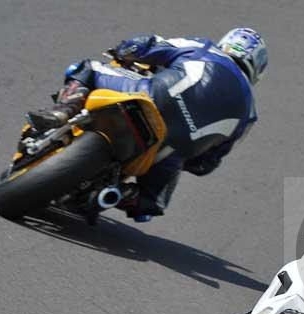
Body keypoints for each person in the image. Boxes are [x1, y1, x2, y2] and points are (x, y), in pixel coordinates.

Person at [28, 28, 267, 221]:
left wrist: (123, 51)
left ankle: (63, 111)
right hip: (174, 148)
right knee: (151, 204)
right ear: (257, 68)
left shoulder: (204, 47)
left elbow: (147, 46)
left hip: (150, 97)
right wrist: (187, 157)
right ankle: (119, 195)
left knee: (87, 69)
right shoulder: (250, 114)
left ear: (226, 42)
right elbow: (207, 163)